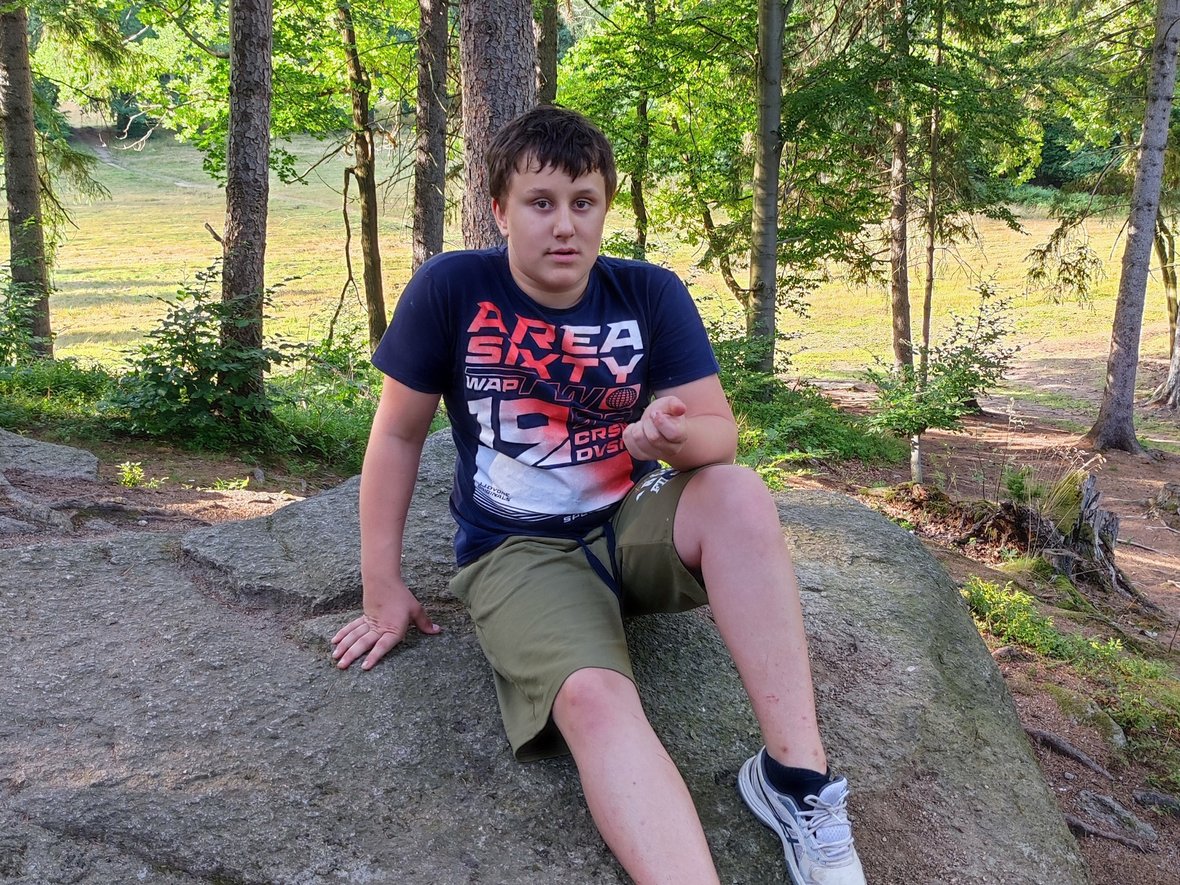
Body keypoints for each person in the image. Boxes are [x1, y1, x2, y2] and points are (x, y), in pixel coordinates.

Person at [330, 105, 866, 885]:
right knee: (593, 698)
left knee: (740, 493)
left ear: (605, 207)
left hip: (630, 523)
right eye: (540, 202)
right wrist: (381, 583)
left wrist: (669, 439)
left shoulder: (647, 293)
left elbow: (719, 436)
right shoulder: (453, 288)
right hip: (519, 553)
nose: (564, 225)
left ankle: (795, 778)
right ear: (500, 209)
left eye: (583, 202)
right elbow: (398, 434)